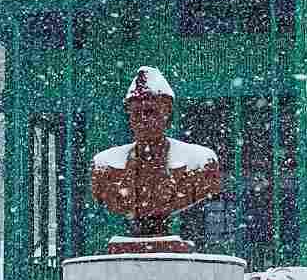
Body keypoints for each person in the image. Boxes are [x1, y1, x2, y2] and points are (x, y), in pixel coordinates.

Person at [91, 67, 222, 242]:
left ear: (166, 113)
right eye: (136, 113)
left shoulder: (201, 163)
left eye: (150, 112)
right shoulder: (104, 167)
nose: (143, 119)